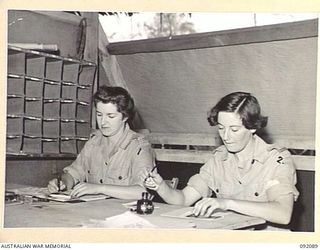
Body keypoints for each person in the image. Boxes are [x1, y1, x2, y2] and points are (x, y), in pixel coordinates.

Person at [141, 92, 299, 226]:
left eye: (234, 129)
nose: (226, 137)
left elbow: (283, 214)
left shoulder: (276, 159)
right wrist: (161, 186)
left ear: (252, 127)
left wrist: (227, 203)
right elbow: (183, 199)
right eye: (221, 128)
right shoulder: (219, 159)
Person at [48, 86, 155, 199]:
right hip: (94, 211)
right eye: (99, 115)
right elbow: (74, 173)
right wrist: (63, 182)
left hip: (124, 214)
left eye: (110, 116)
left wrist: (99, 188)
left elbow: (143, 192)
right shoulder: (93, 142)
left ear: (125, 117)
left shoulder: (140, 147)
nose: (103, 122)